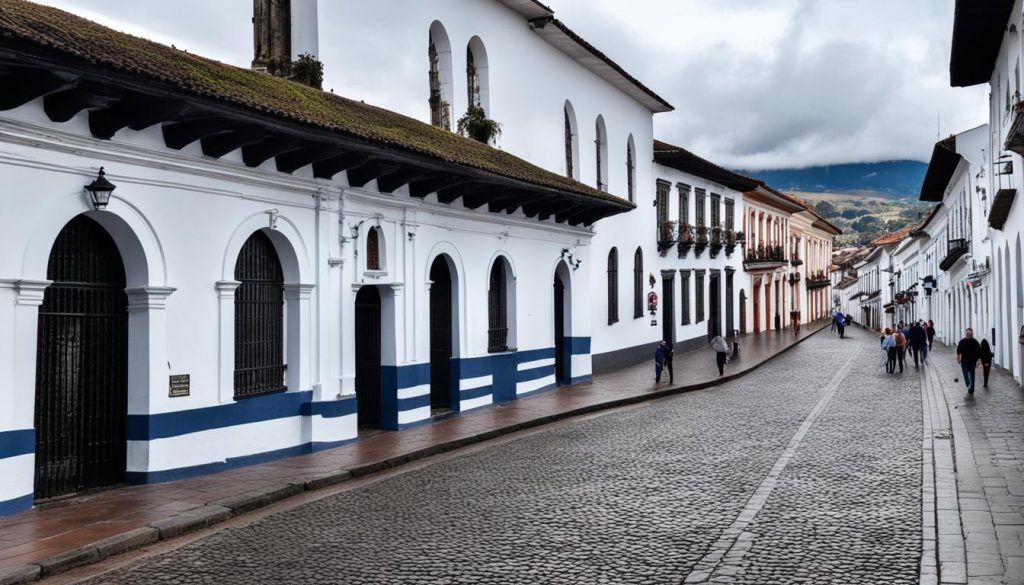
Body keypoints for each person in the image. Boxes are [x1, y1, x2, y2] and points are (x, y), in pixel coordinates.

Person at [956, 328, 982, 395]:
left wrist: (978, 361)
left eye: (970, 334)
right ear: (965, 333)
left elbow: (979, 352)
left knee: (972, 374)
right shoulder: (962, 341)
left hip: (972, 361)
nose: (968, 335)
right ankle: (969, 385)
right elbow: (958, 352)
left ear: (972, 334)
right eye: (967, 333)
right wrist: (958, 359)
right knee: (966, 374)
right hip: (964, 361)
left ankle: (971, 388)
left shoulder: (975, 342)